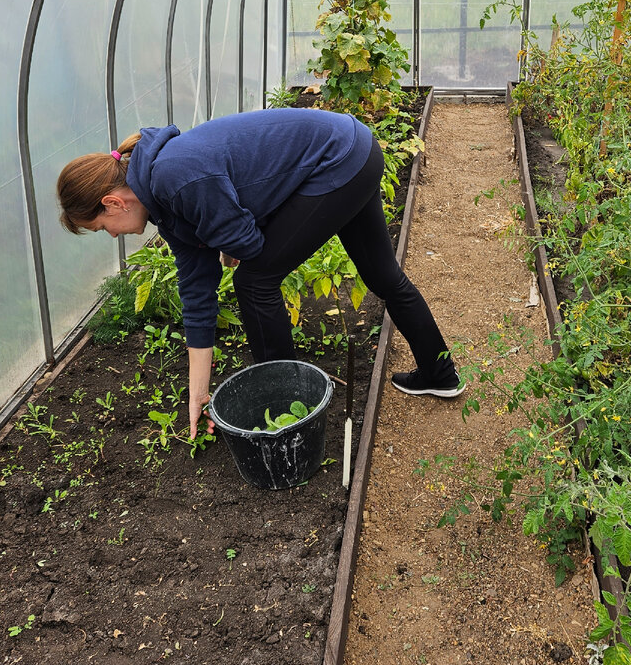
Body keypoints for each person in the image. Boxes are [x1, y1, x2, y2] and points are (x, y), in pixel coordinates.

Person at [57, 108, 462, 437]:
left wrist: (228, 245)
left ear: (113, 203)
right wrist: (197, 393)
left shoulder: (174, 179)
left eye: (101, 228)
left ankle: (287, 416)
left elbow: (249, 246)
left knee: (255, 282)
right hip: (352, 146)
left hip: (338, 158)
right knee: (382, 277)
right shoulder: (165, 205)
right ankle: (440, 374)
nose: (110, 235)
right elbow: (197, 296)